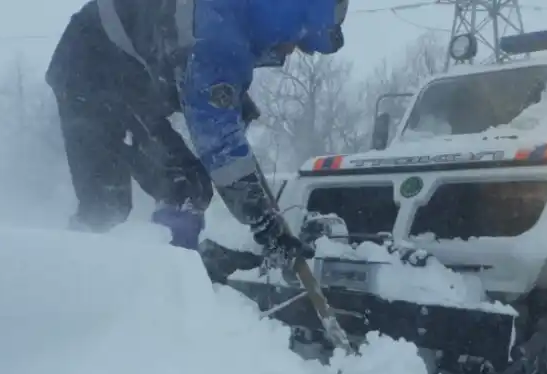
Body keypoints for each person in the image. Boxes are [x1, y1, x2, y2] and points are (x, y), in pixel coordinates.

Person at [46, 0, 348, 266]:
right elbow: (218, 140)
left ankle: (171, 271)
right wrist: (265, 222)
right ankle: (70, 278)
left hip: (128, 79)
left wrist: (231, 104)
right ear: (289, 19)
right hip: (91, 69)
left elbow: (195, 80)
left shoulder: (234, 19)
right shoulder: (217, 33)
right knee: (109, 205)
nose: (292, 51)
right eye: (300, 41)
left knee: (185, 185)